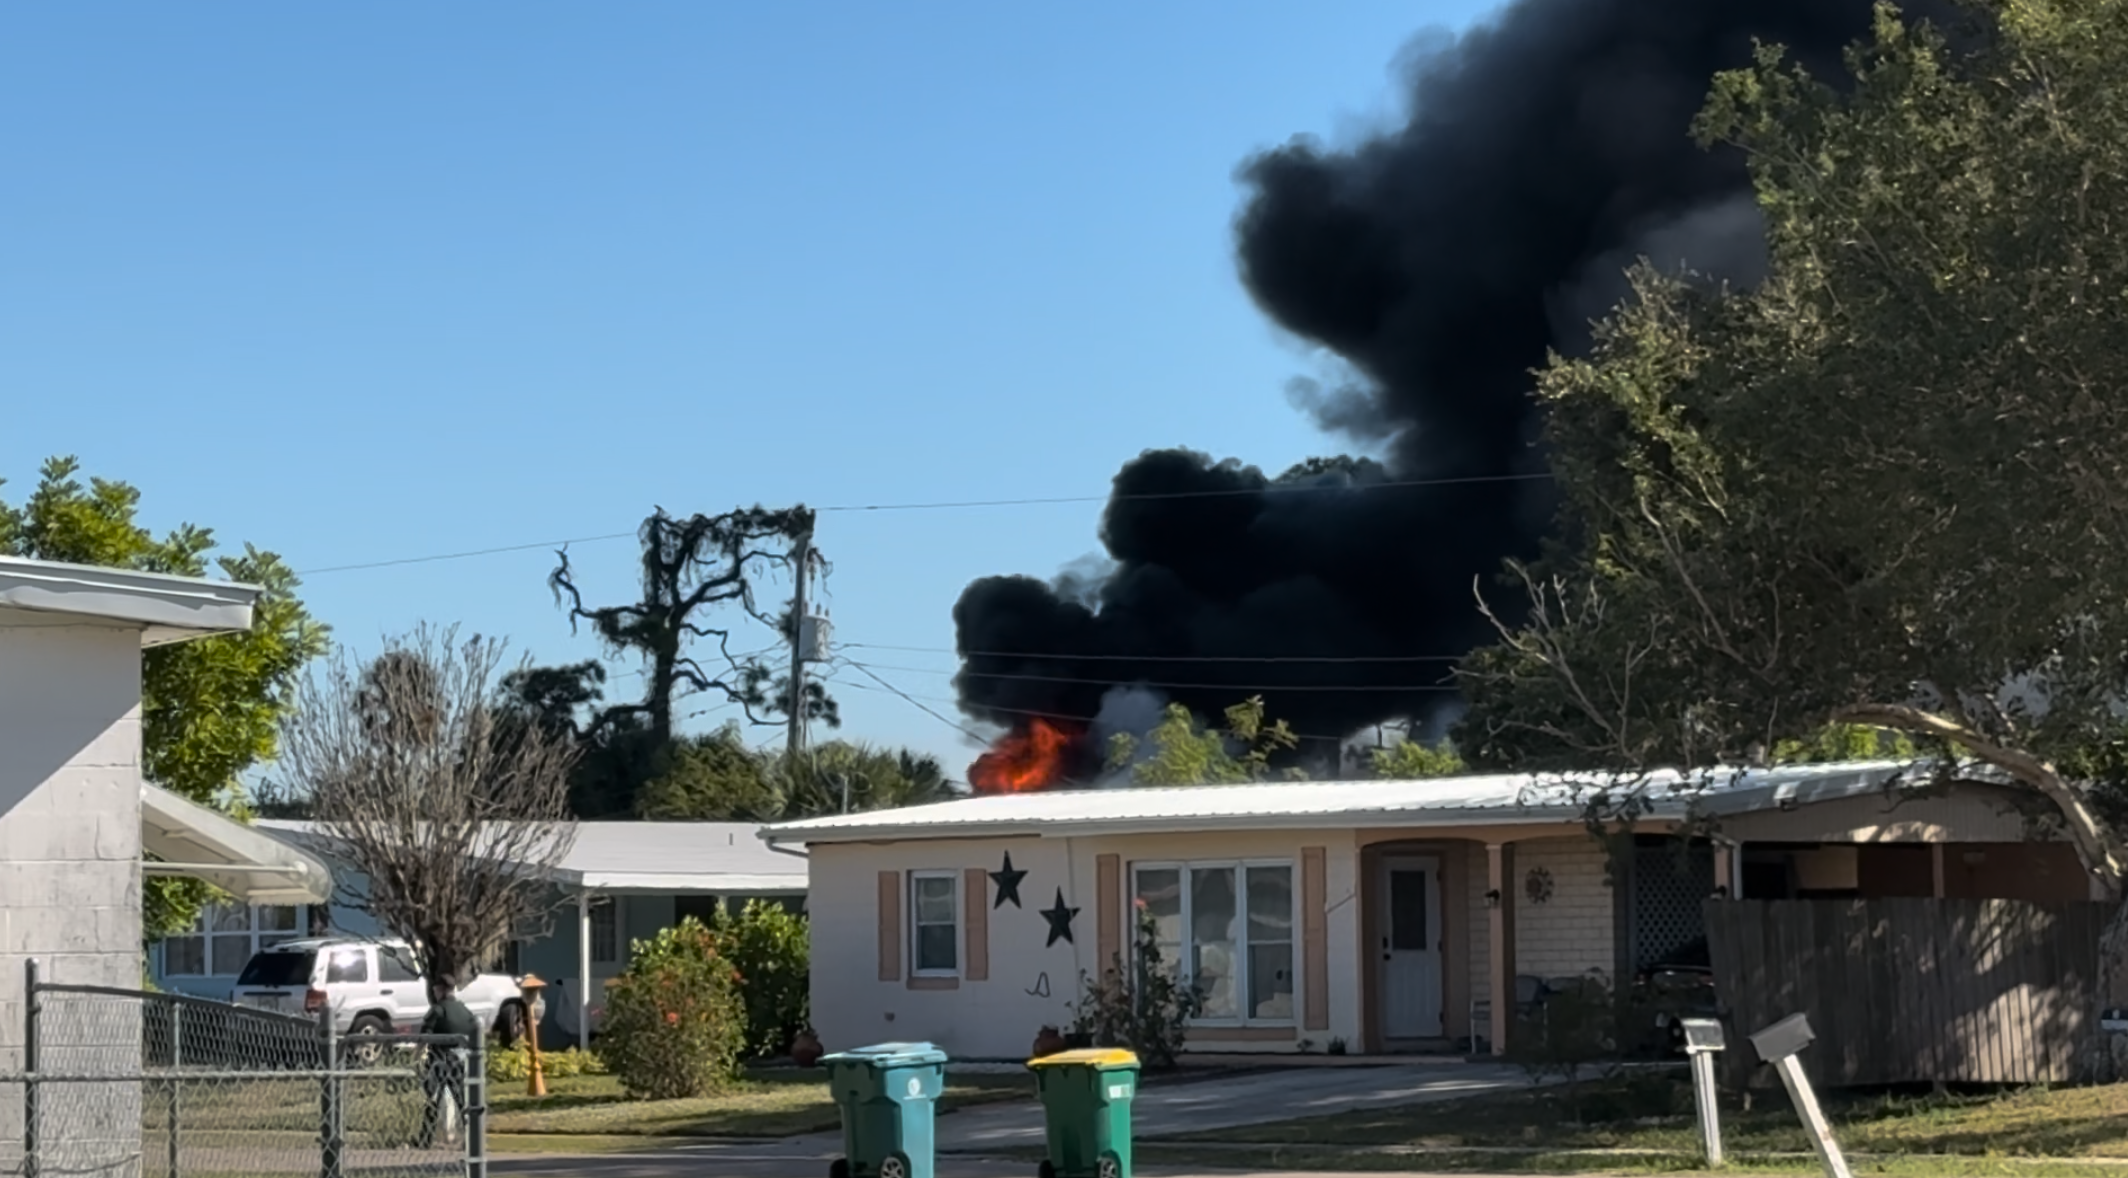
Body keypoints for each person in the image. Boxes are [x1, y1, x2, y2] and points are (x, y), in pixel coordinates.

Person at [417, 974, 482, 1148]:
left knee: (432, 1100)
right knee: (463, 1101)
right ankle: (472, 1140)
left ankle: (425, 1140)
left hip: (439, 1061)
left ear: (441, 990)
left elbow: (424, 1035)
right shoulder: (465, 1010)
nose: (434, 992)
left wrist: (418, 1055)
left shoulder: (438, 1010)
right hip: (460, 1060)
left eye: (436, 989)